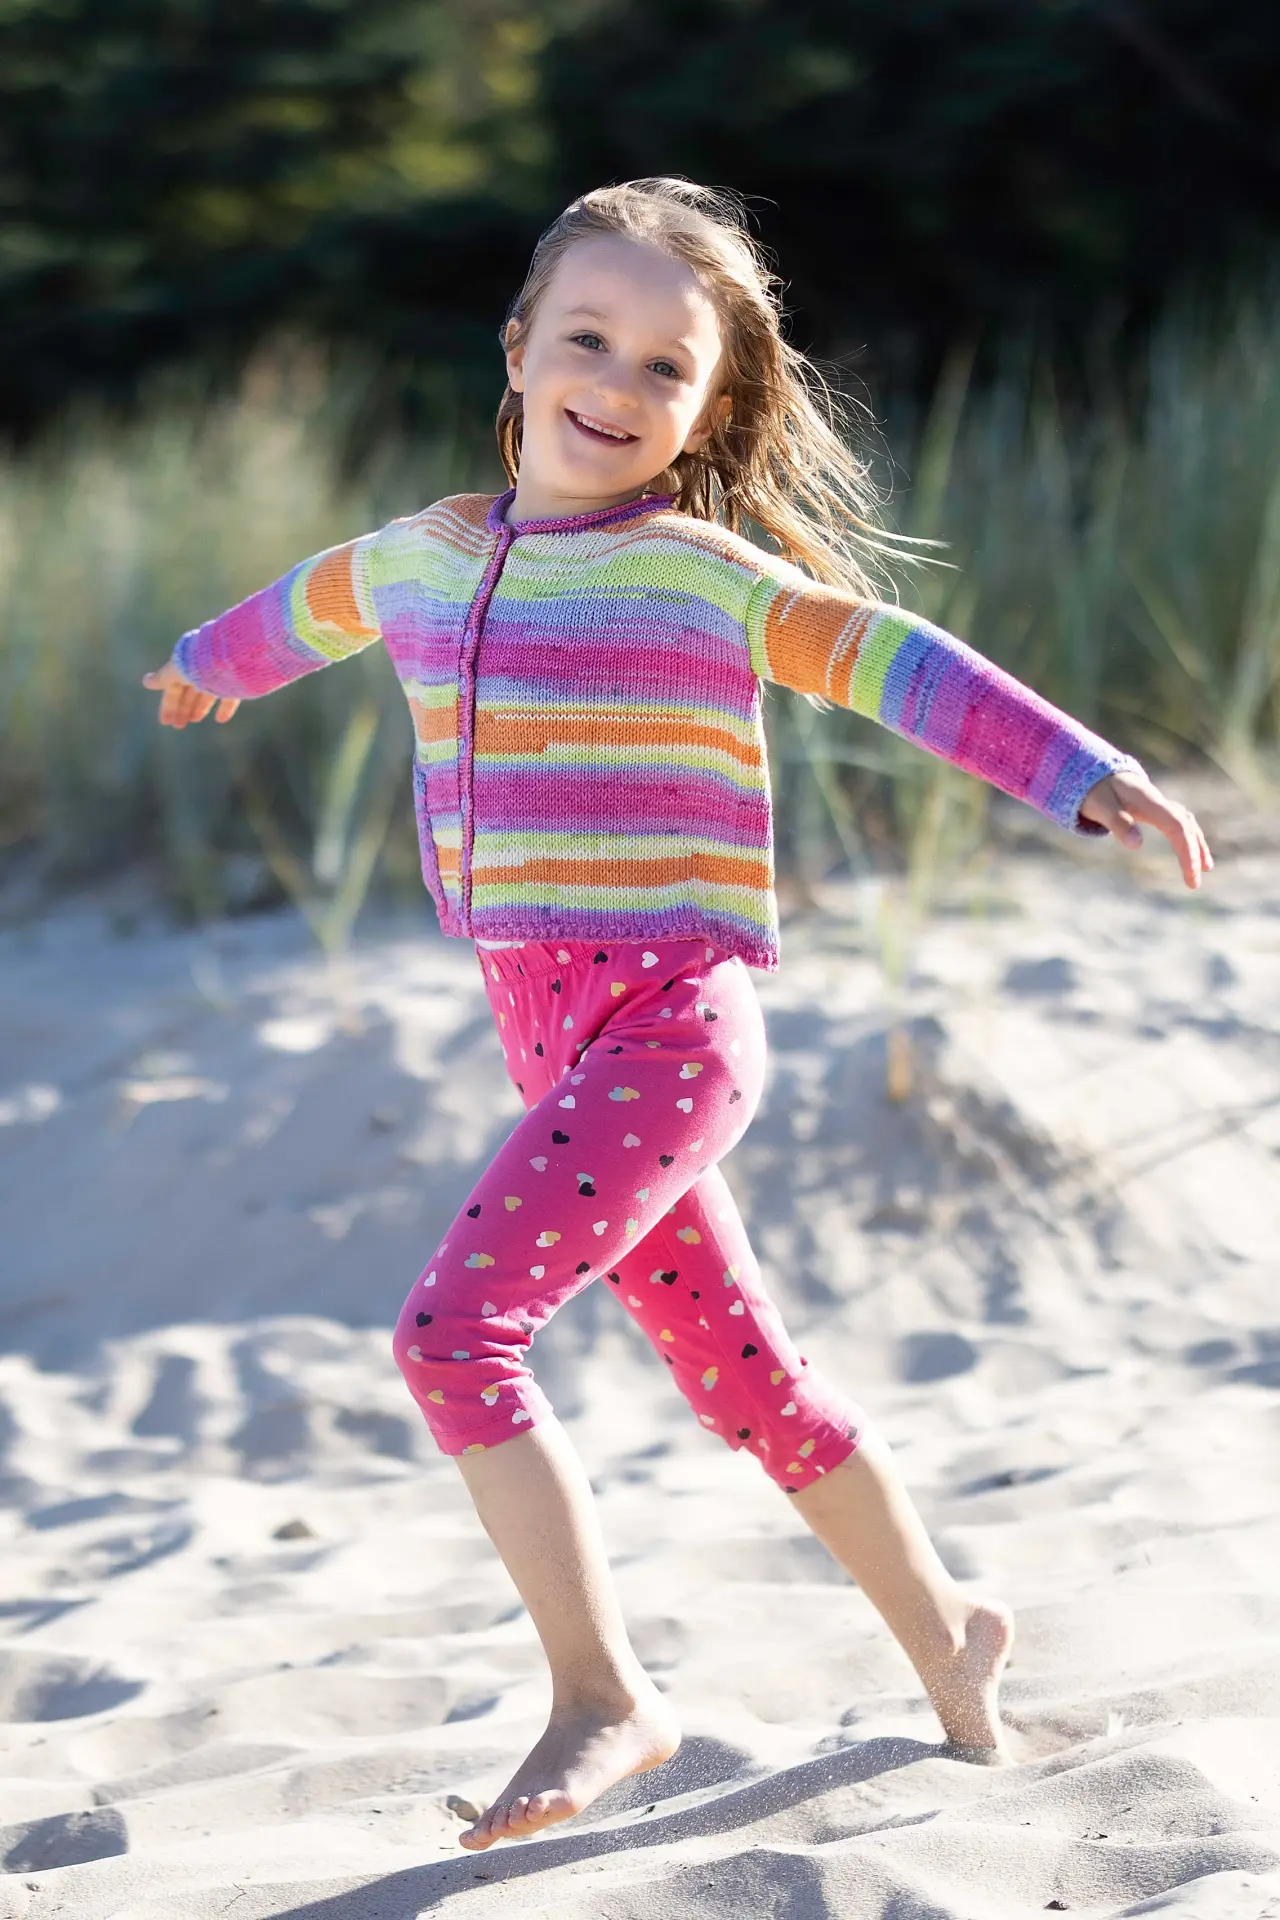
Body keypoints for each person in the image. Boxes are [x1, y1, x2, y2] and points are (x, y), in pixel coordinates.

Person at [144, 177, 1212, 1852]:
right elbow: (307, 610)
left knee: (453, 1336)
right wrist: (211, 657)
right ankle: (952, 1636)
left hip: (669, 1023)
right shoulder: (420, 558)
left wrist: (1089, 777)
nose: (617, 384)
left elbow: (897, 661)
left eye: (665, 367)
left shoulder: (701, 575)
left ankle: (602, 1697)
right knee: (748, 1382)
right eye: (589, 338)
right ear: (518, 348)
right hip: (547, 1034)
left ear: (706, 406)